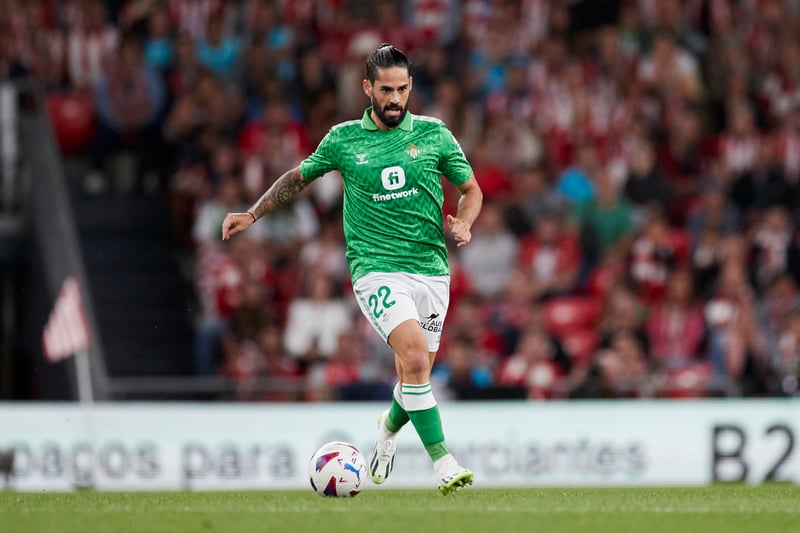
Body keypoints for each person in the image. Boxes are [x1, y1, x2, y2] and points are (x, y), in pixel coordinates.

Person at [221, 44, 483, 494]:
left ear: (410, 87)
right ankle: (444, 463)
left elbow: (471, 189)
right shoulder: (343, 140)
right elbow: (297, 178)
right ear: (367, 88)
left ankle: (388, 428)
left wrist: (465, 222)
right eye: (386, 90)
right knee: (415, 360)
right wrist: (252, 213)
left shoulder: (435, 134)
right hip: (375, 270)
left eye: (402, 89)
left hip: (431, 271)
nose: (395, 99)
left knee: (415, 376)